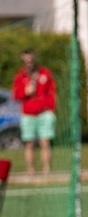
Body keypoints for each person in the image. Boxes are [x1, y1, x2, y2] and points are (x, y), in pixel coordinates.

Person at [12, 49, 57, 177]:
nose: (29, 62)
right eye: (26, 60)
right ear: (23, 60)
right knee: (29, 143)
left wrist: (50, 108)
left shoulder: (45, 73)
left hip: (44, 113)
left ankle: (46, 170)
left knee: (45, 142)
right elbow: (16, 95)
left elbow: (52, 91)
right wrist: (25, 92)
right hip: (28, 115)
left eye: (31, 59)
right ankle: (30, 171)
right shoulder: (20, 77)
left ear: (34, 58)